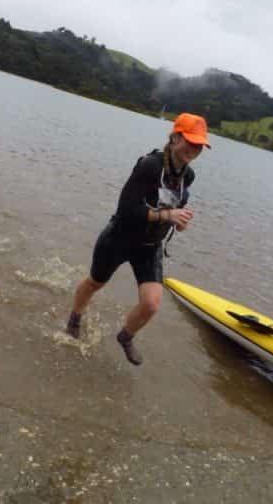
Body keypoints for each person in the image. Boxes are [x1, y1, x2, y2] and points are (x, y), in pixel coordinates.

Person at [66, 113, 209, 365]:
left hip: (149, 246)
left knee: (151, 304)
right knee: (94, 283)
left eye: (200, 145)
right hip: (120, 237)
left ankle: (125, 336)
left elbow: (174, 208)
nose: (194, 149)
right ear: (175, 137)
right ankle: (75, 318)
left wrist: (180, 222)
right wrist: (168, 214)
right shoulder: (150, 166)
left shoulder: (188, 176)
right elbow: (126, 209)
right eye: (190, 141)